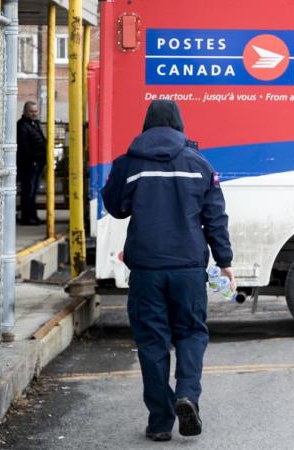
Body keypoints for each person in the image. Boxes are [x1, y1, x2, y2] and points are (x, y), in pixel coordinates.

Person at [101, 100, 234, 442]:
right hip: (188, 269)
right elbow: (215, 218)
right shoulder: (200, 164)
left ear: (147, 125)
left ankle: (160, 421)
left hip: (146, 269)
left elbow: (115, 208)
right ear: (179, 125)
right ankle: (187, 394)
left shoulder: (128, 164)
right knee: (190, 333)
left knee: (152, 341)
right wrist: (224, 262)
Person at [17, 101, 47, 225]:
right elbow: (24, 147)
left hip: (37, 163)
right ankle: (27, 218)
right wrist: (32, 162)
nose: (34, 114)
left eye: (35, 111)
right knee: (28, 191)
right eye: (31, 111)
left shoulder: (34, 124)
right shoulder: (22, 126)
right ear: (25, 112)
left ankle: (33, 216)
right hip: (29, 165)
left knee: (33, 192)